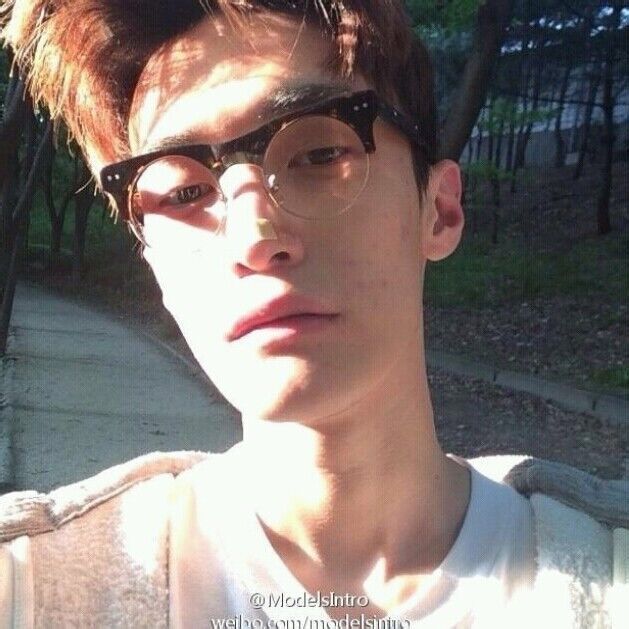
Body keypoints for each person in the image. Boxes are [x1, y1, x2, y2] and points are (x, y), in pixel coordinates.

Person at [0, 1, 626, 627]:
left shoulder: (608, 573)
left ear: (438, 210)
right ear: (156, 267)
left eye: (319, 154)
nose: (253, 238)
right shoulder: (32, 586)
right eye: (185, 193)